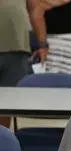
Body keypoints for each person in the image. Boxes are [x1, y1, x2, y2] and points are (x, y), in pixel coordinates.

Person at [0, 0, 47, 128]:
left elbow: (34, 9)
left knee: (6, 104)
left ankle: (3, 143)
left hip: (16, 47)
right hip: (16, 49)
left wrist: (42, 43)